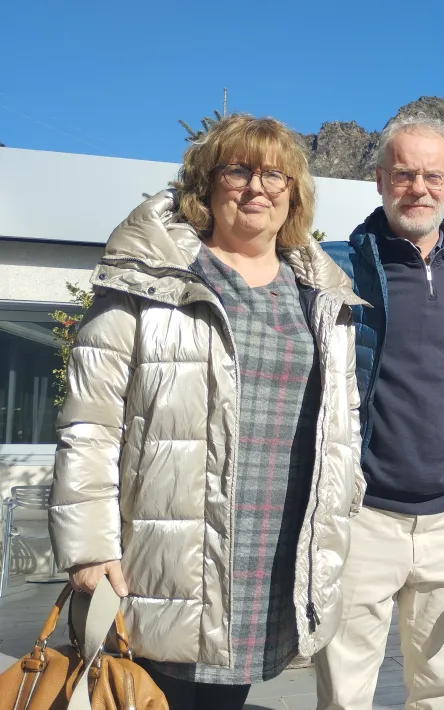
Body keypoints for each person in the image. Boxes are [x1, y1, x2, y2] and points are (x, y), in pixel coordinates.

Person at [48, 114, 367, 710]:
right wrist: (90, 548)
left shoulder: (322, 296)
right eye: (238, 169)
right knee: (143, 695)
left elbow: (340, 422)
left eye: (275, 174)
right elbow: (91, 422)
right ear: (207, 184)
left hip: (267, 556)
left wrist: (343, 502)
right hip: (162, 557)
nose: (256, 187)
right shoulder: (150, 280)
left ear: (294, 194)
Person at [316, 115, 444, 710]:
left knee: (442, 690)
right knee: (344, 690)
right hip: (362, 516)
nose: (418, 188)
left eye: (433, 175)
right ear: (379, 179)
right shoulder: (333, 271)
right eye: (404, 173)